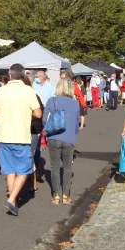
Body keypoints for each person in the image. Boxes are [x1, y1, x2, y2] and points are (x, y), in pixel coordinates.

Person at [0, 63, 42, 216]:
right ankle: (12, 198)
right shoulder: (28, 91)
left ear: (10, 74)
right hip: (21, 135)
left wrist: (8, 113)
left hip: (4, 135)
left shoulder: (2, 90)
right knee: (24, 169)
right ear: (23, 75)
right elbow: (38, 114)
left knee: (9, 169)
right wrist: (25, 114)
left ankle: (13, 201)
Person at [42, 77, 80, 205]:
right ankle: (66, 194)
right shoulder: (74, 103)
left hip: (53, 137)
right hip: (69, 138)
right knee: (68, 166)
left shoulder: (51, 101)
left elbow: (44, 120)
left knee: (55, 167)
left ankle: (55, 195)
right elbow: (76, 124)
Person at [22, 75, 44, 195]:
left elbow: (39, 113)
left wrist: (26, 118)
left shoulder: (33, 95)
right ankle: (29, 182)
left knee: (29, 157)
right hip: (25, 130)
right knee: (27, 157)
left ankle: (32, 183)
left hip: (32, 130)